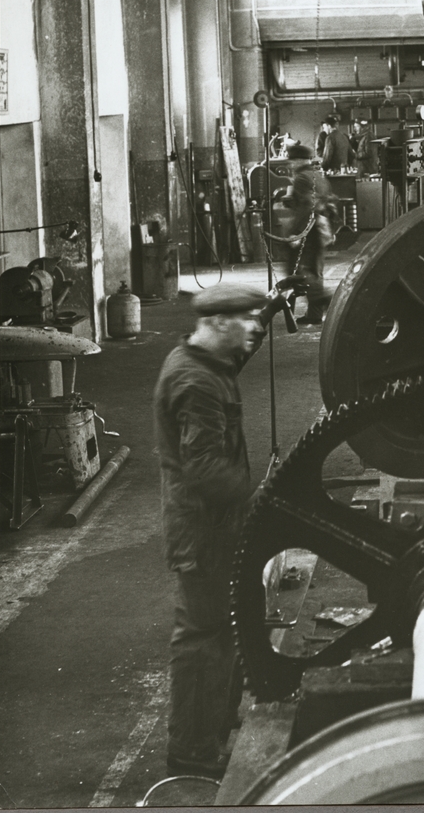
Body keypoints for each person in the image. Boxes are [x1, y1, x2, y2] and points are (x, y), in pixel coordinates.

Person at [154, 282, 266, 779]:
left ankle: (214, 725)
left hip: (213, 524)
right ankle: (193, 753)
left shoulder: (206, 360)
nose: (254, 328)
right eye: (246, 320)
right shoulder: (195, 382)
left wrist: (270, 312)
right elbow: (203, 469)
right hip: (203, 529)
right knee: (203, 638)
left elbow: (236, 357)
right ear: (219, 323)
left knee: (222, 629)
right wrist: (261, 499)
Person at [276, 144, 337, 324]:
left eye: (292, 161)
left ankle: (328, 301)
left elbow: (307, 206)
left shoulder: (301, 178)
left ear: (299, 160)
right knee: (315, 270)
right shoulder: (319, 176)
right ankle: (315, 314)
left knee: (296, 270)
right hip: (322, 228)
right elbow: (328, 201)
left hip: (309, 230)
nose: (290, 164)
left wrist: (296, 233)